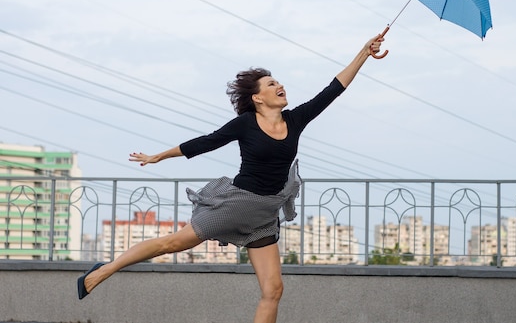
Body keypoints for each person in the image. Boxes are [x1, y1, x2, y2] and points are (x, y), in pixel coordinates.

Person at [77, 34, 384, 323]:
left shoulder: (296, 119)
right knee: (170, 243)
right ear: (258, 98)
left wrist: (364, 53)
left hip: (265, 214)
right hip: (237, 205)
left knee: (274, 290)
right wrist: (158, 156)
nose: (280, 86)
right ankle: (102, 272)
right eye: (271, 83)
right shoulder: (246, 123)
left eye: (278, 81)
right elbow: (206, 141)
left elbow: (334, 88)